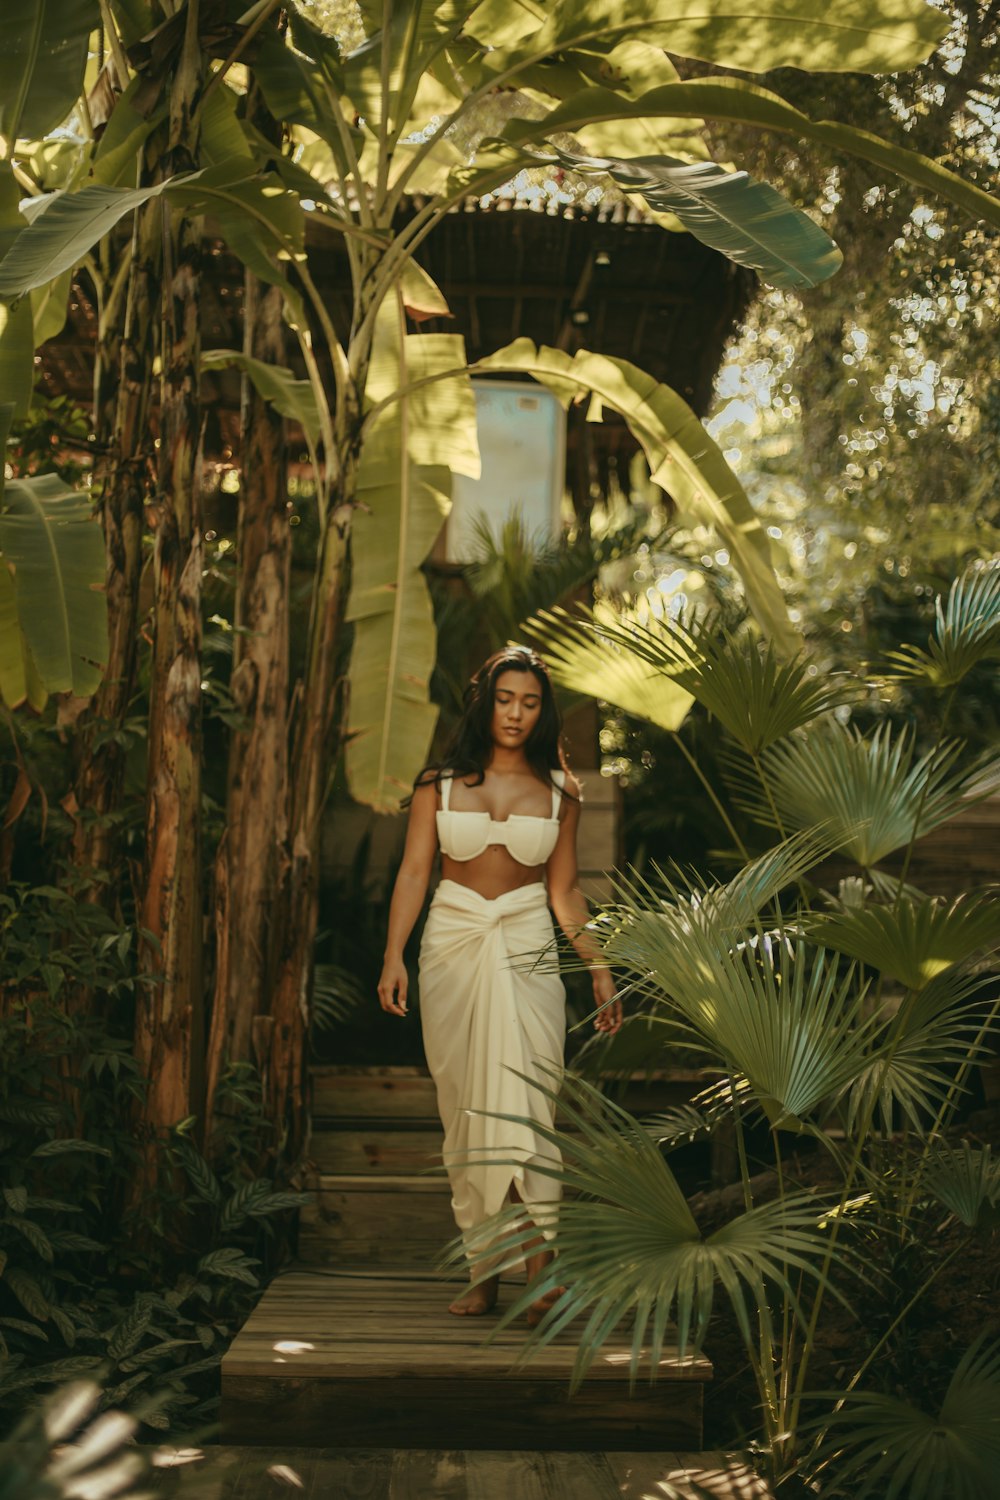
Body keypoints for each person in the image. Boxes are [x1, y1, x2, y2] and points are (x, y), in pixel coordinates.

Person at [377, 646, 621, 1322]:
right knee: (467, 1116)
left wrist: (598, 966)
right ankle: (482, 1272)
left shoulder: (563, 791)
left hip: (526, 949)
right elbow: (413, 873)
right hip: (452, 948)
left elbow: (565, 891)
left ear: (543, 712)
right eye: (506, 699)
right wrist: (393, 955)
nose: (516, 713)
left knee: (531, 1110)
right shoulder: (440, 782)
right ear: (487, 703)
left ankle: (543, 1274)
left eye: (531, 702)